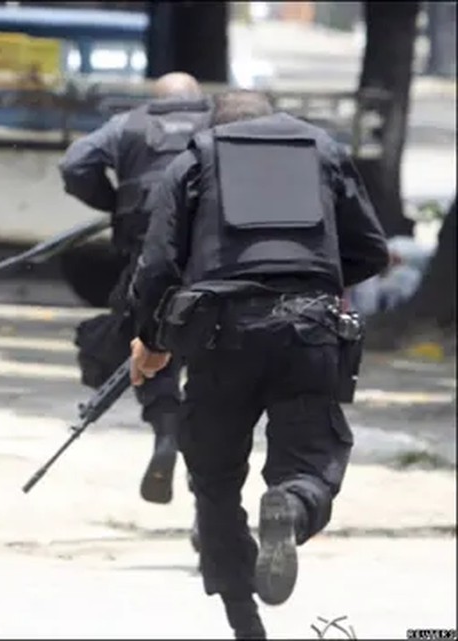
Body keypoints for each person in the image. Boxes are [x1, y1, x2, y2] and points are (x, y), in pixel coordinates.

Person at [127, 90, 389, 638]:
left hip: (222, 334)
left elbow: (156, 267)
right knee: (311, 459)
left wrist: (152, 339)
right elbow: (370, 250)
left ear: (217, 126)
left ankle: (246, 625)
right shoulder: (325, 151)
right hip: (310, 332)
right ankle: (290, 509)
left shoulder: (195, 158)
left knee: (214, 482)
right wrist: (313, 276)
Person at [58, 72, 213, 505]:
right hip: (215, 262)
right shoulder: (220, 123)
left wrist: (115, 201)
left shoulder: (129, 124)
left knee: (148, 340)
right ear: (198, 98)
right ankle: (206, 482)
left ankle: (166, 432)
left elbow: (74, 165)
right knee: (213, 364)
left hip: (147, 257)